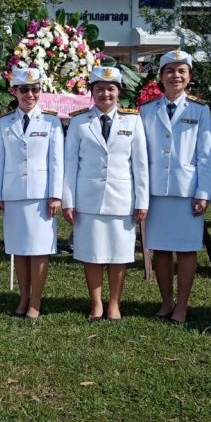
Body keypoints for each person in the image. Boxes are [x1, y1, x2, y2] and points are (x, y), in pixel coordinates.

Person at [63, 66, 148, 322]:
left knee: (119, 255)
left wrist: (142, 201)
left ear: (119, 91)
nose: (105, 94)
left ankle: (114, 304)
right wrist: (68, 201)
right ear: (91, 92)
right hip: (88, 199)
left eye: (111, 89)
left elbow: (140, 165)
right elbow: (70, 164)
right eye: (99, 89)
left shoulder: (132, 120)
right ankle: (97, 303)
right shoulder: (79, 121)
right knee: (92, 254)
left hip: (121, 199)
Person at [139, 49, 211, 325]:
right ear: (161, 76)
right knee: (159, 249)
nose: (175, 76)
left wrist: (203, 192)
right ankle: (166, 301)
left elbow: (205, 155)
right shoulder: (147, 110)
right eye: (169, 71)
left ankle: (182, 304)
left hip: (187, 190)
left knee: (186, 249)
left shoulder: (200, 110)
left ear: (189, 76)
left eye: (181, 71)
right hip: (156, 190)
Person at [0, 67, 64, 321]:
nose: (30, 94)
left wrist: (55, 195)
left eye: (35, 89)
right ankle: (23, 297)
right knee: (19, 249)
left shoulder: (51, 122)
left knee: (39, 249)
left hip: (41, 195)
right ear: (14, 91)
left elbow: (56, 161)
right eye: (24, 89)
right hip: (14, 194)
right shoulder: (4, 123)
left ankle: (36, 300)